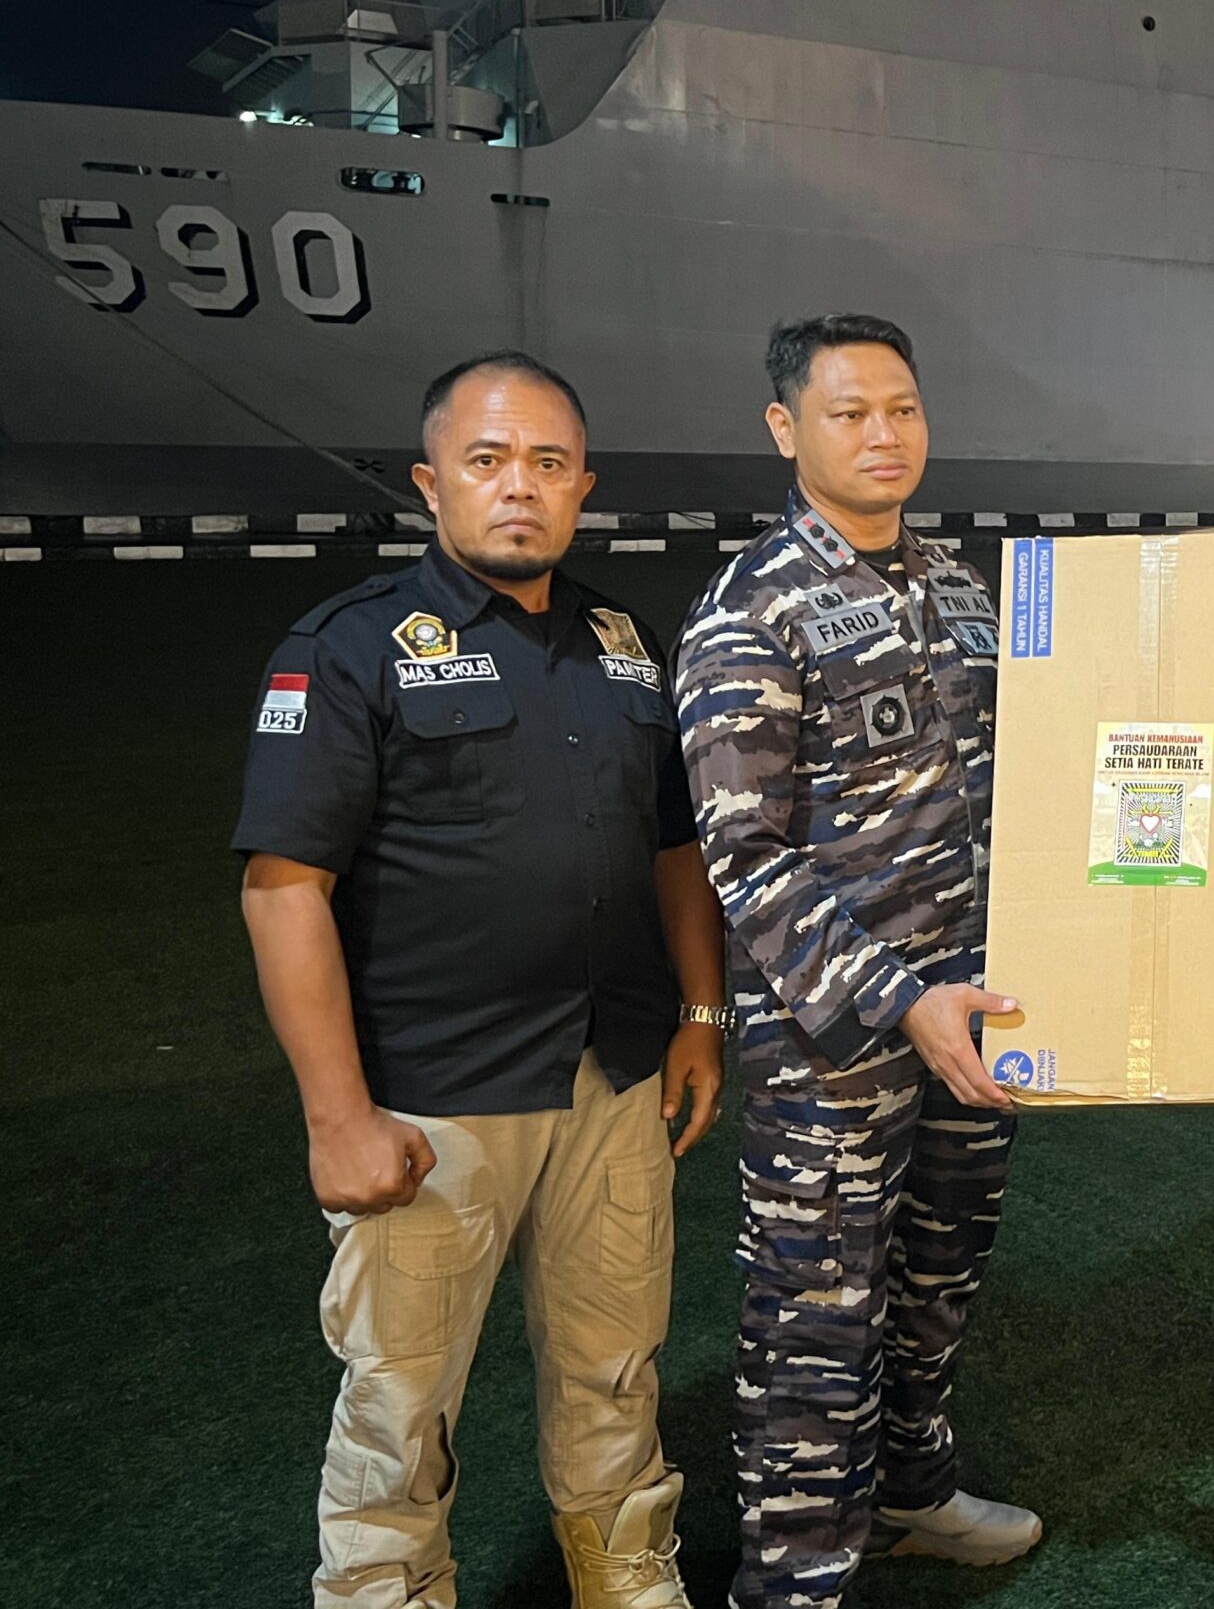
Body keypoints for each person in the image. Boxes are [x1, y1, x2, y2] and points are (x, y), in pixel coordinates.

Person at [235, 351, 728, 1609]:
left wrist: (700, 1014)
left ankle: (625, 1580)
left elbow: (676, 848)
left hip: (612, 1078)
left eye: (549, 463)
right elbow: (283, 889)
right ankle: (384, 1591)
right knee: (399, 1403)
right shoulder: (347, 649)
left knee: (616, 1368)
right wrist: (336, 1118)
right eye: (489, 460)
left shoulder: (624, 642)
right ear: (430, 483)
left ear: (582, 487)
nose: (521, 486)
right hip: (431, 1098)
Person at [671, 314, 1037, 1609]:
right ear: (787, 429)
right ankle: (792, 1584)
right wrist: (900, 998)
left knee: (939, 1271)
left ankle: (909, 1495)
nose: (885, 434)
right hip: (835, 1039)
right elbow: (744, 856)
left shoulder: (960, 585)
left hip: (975, 1014)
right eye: (849, 413)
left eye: (902, 408)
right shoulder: (752, 607)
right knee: (815, 1319)